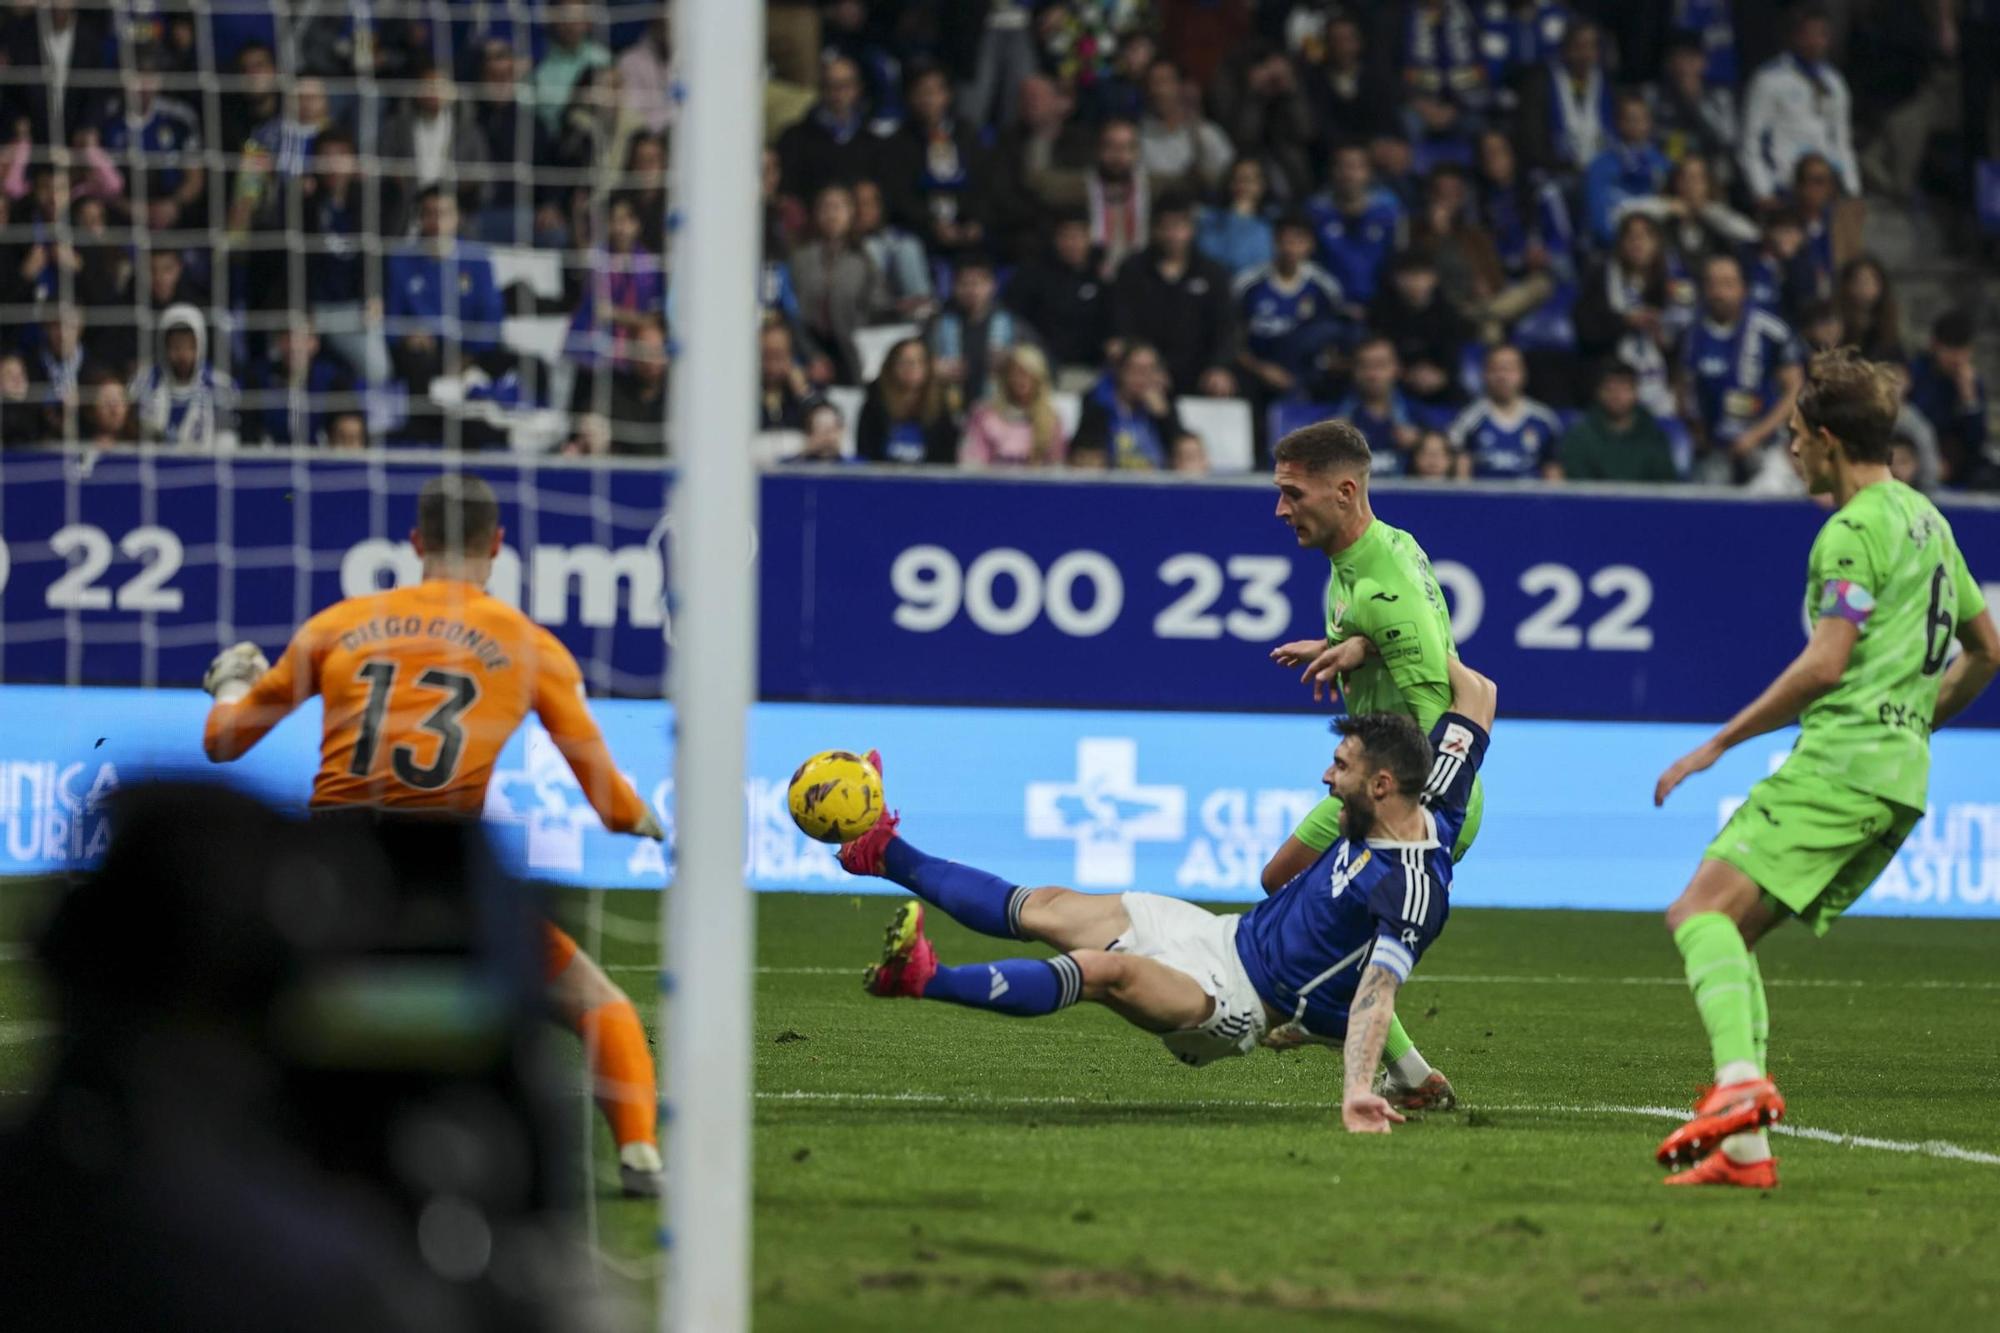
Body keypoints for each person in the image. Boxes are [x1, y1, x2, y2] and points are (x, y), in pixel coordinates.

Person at [199, 475, 669, 1197]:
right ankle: (639, 1154)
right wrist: (644, 817)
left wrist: (233, 682)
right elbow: (608, 802)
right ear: (498, 546)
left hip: (329, 875)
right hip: (448, 877)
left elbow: (225, 743)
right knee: (599, 1002)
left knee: (257, 1012)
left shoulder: (338, 624)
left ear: (415, 543)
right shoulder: (529, 644)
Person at [840, 649, 1495, 1134]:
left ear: (1381, 786)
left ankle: (924, 978)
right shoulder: (1435, 785)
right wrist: (1395, 636)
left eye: (1342, 766)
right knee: (1045, 906)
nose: (1327, 776)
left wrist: (1355, 1087)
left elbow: (1375, 997)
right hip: (1219, 933)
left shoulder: (1411, 888)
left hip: (1236, 1002)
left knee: (1104, 971)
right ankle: (881, 850)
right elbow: (1480, 693)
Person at [1650, 350, 2000, 1187]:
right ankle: (1745, 1150)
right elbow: (1987, 650)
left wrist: (1717, 743)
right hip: (1899, 776)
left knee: (1696, 911)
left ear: (1831, 441)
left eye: (1800, 437)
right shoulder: (1928, 520)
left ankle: (1738, 1088)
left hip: (1841, 762)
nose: (1794, 453)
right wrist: (1915, 722)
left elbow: (1824, 664)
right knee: (1732, 929)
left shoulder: (1850, 529)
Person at [1262, 418, 1489, 1110]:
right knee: (1297, 895)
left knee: (1298, 910)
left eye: (1294, 494)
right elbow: (1388, 625)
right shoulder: (1377, 555)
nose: (1281, 510)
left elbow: (1445, 700)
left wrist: (1412, 804)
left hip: (1410, 788)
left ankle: (1341, 1024)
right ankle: (1409, 1073)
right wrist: (1353, 644)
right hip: (1384, 778)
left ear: (1345, 490)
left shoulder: (1381, 587)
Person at [1679, 253, 1803, 485]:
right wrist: (1696, 431)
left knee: (1771, 492)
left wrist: (1756, 435)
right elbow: (1683, 388)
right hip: (1715, 451)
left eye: (1727, 284)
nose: (1719, 293)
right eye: (1712, 284)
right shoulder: (1691, 334)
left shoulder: (1771, 331)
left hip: (1765, 446)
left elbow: (1794, 389)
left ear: (1743, 288)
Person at [1109, 195, 1240, 398]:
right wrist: (1148, 369)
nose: (1173, 235)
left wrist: (1219, 366)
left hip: (1198, 370)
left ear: (1191, 229)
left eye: (1179, 227)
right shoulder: (1133, 269)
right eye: (1166, 228)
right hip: (1145, 368)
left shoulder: (1212, 273)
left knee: (1223, 383)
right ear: (1155, 230)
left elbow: (1225, 326)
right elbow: (1122, 323)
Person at [1738, 6, 1860, 211]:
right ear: (1794, 36)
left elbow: (1841, 141)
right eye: (1808, 34)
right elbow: (1749, 140)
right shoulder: (1769, 79)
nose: (1815, 42)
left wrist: (1852, 189)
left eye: (1821, 35)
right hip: (1784, 187)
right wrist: (1762, 190)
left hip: (1825, 190)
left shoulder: (1834, 83)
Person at [1234, 213, 1346, 403]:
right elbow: (1234, 341)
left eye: (1298, 241)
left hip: (1307, 379)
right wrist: (1262, 369)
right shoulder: (1248, 284)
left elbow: (1333, 343)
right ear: (1274, 243)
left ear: (1310, 245)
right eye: (1284, 241)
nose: (1291, 248)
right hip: (1256, 375)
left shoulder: (1325, 287)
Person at [790, 182, 889, 386]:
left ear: (851, 213)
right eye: (826, 207)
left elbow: (877, 303)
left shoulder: (863, 258)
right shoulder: (800, 258)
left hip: (850, 347)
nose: (832, 214)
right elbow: (792, 310)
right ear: (816, 213)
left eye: (839, 207)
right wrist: (811, 355)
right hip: (807, 345)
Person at [1005, 210, 1112, 379]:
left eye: (1078, 236)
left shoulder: (1101, 277)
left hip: (1091, 370)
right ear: (1055, 239)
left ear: (1088, 239)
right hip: (1042, 371)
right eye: (1066, 236)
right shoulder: (1032, 275)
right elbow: (1014, 319)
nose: (1072, 243)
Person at [1308, 142, 1404, 312]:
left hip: (1380, 309)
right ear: (1331, 171)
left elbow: (1400, 262)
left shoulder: (1389, 214)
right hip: (1327, 309)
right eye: (1342, 166)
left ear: (1369, 172)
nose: (1348, 174)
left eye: (1356, 167)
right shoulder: (1315, 214)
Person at [925, 253, 1031, 407]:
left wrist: (1012, 363)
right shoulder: (937, 323)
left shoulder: (1012, 324)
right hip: (948, 408)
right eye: (964, 284)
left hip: (1000, 411)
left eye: (978, 283)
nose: (971, 290)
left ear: (993, 286)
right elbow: (917, 363)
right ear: (953, 286)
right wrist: (934, 369)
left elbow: (1041, 366)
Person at [1448, 345, 1564, 480]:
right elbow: (1461, 474)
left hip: (1529, 499)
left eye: (1509, 369)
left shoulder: (1544, 420)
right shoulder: (1468, 419)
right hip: (1484, 499)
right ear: (1484, 374)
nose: (1502, 376)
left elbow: (1553, 470)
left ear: (1523, 374)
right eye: (1495, 369)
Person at [132, 303, 238, 449]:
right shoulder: (143, 383)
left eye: (190, 347)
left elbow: (228, 443)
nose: (183, 355)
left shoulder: (220, 386)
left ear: (201, 345)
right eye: (176, 346)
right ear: (164, 347)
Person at [1905, 311, 1991, 485]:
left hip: (1959, 464)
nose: (1956, 359)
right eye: (1950, 350)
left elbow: (1977, 441)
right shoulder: (1914, 374)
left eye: (1962, 351)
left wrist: (1969, 400)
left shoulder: (1972, 383)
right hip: (1917, 457)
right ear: (1935, 346)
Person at [1558, 361, 1680, 482]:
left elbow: (1666, 487)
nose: (1617, 396)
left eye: (1624, 389)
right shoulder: (1580, 436)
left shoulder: (1654, 436)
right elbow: (1578, 487)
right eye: (1610, 389)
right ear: (1599, 393)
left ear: (1636, 393)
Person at [1072, 342, 1183, 470]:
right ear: (1121, 371)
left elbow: (1181, 453)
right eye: (1137, 370)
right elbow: (1084, 449)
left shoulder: (1165, 405)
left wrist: (1165, 418)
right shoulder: (1098, 403)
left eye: (1150, 370)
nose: (1143, 378)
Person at [1583, 92, 1671, 245]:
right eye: (1630, 119)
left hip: (1658, 248)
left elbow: (1672, 208)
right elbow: (1599, 221)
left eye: (1642, 119)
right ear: (1618, 123)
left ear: (1649, 122)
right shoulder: (1600, 166)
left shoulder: (1664, 164)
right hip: (1616, 247)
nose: (1636, 124)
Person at [960, 344, 1067, 467]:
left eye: (1027, 373)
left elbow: (1057, 470)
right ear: (1005, 376)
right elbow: (971, 464)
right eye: (1015, 372)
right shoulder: (983, 415)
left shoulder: (1051, 420)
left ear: (1038, 378)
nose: (1021, 379)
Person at [856, 337, 956, 465]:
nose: (913, 367)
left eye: (919, 361)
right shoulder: (873, 406)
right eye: (905, 362)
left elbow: (946, 459)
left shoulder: (941, 409)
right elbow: (865, 454)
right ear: (891, 366)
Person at [1332, 337, 1425, 472]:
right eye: (1365, 366)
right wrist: (1328, 444)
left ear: (1397, 369)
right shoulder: (1334, 420)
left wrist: (1420, 444)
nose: (1372, 374)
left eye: (1380, 366)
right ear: (1354, 370)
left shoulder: (1417, 416)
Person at [1197, 157, 1277, 279]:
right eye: (1237, 179)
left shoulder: (1273, 221)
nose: (1242, 186)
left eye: (1249, 180)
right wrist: (1236, 220)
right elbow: (1209, 258)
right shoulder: (1210, 219)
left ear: (1262, 185)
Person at [1833, 256, 1904, 366]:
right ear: (1847, 285)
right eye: (1860, 281)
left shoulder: (1886, 322)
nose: (1866, 286)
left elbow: (1898, 359)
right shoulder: (1836, 320)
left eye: (1871, 280)